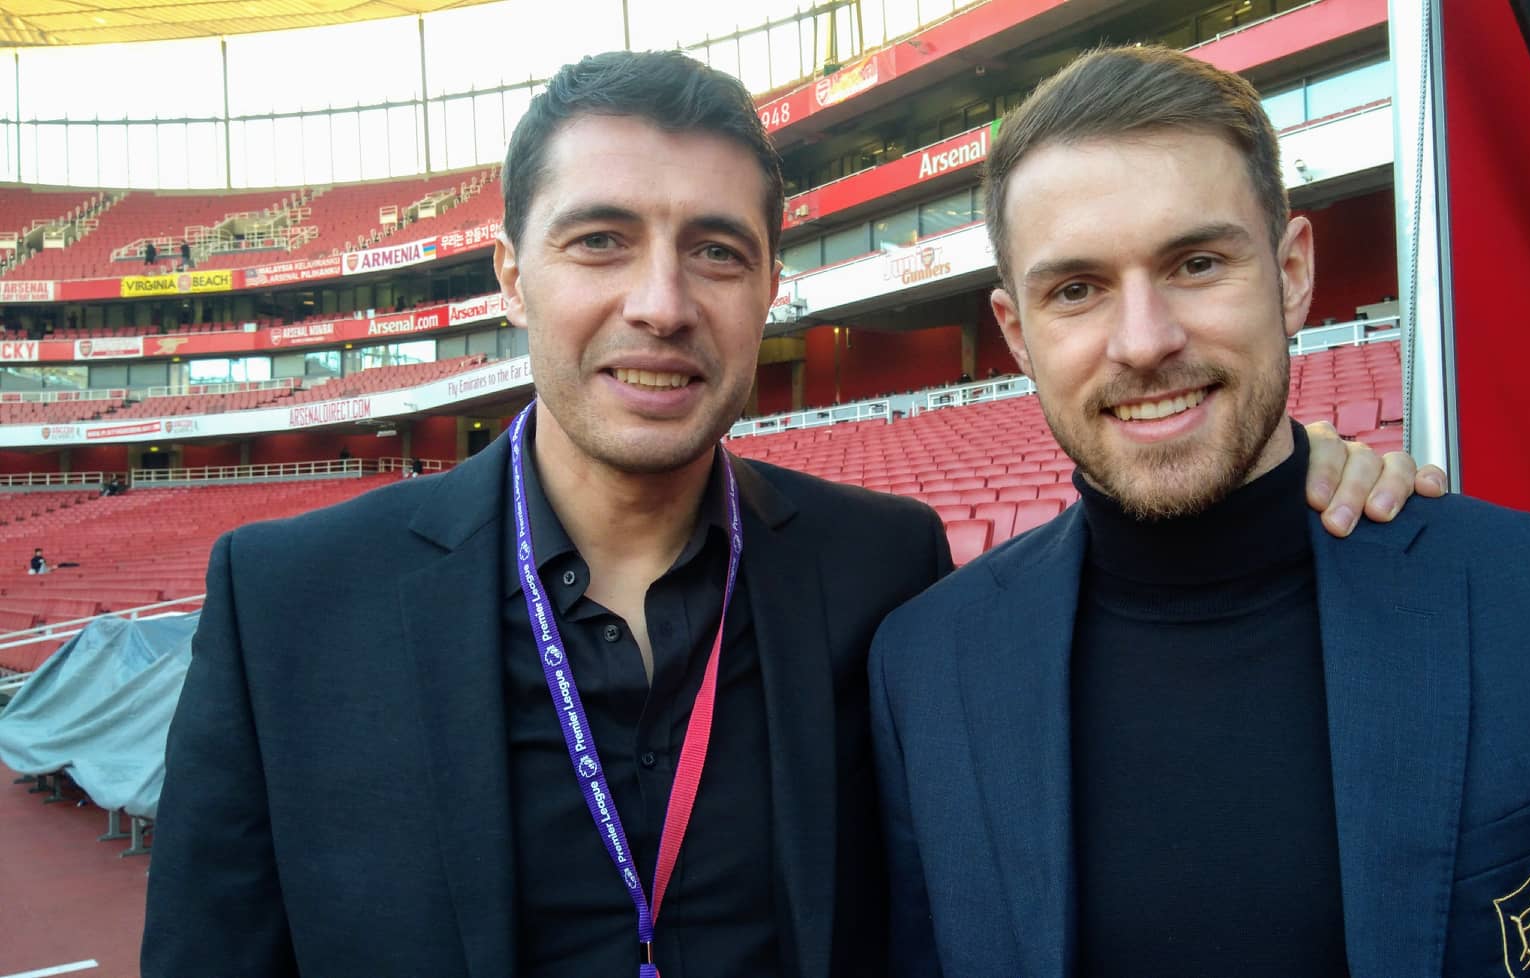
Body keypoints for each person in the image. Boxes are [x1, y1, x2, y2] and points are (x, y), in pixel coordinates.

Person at [143, 51, 1434, 978]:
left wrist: (1294, 465)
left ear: (768, 286)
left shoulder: (885, 569)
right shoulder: (289, 608)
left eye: (715, 250)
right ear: (511, 279)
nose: (662, 302)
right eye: (599, 241)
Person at [868, 44, 1530, 978]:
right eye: (1075, 290)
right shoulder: (925, 666)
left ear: (1290, 275)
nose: (1144, 341)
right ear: (1016, 333)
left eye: (1196, 263)